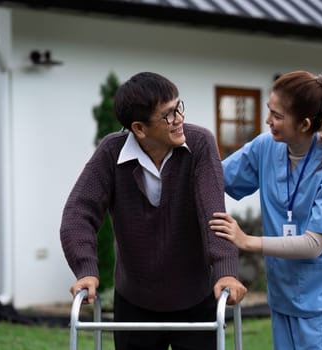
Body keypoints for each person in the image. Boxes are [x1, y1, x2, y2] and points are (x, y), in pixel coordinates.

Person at [60, 71, 247, 350]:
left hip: (195, 299)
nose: (179, 118)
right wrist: (86, 269)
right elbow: (77, 214)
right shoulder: (112, 152)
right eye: (168, 115)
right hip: (134, 302)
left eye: (178, 107)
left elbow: (213, 212)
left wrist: (225, 270)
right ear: (139, 128)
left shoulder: (200, 144)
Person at [209, 70, 322, 349]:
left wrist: (246, 241)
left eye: (277, 116)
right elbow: (215, 178)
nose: (268, 120)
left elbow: (314, 244)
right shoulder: (266, 147)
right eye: (270, 110)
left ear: (304, 124)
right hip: (284, 301)